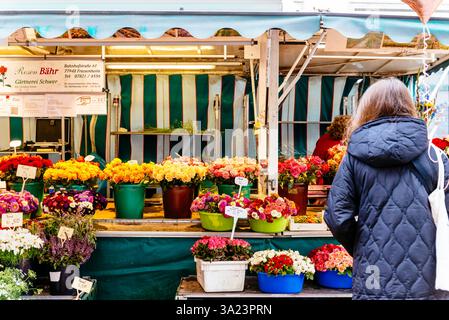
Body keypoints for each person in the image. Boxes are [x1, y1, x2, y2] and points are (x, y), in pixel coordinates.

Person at [324, 78, 449, 300]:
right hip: (429, 271)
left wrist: (363, 246)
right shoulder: (435, 157)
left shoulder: (353, 157)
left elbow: (337, 216)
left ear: (367, 108)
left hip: (373, 270)